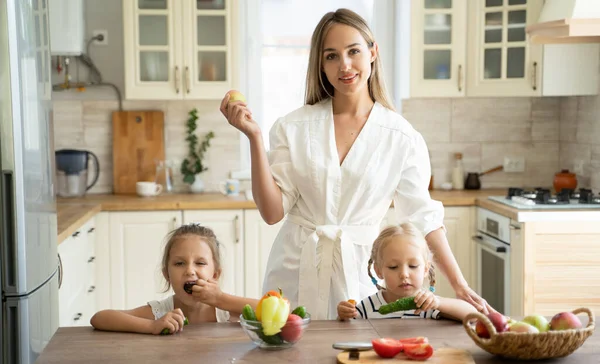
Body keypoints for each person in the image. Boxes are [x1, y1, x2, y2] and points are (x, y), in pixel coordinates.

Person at [220, 8, 490, 320]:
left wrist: (459, 284)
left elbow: (423, 218)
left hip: (361, 274)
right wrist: (253, 137)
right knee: (288, 361)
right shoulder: (292, 128)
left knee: (358, 357)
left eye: (354, 51)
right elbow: (272, 213)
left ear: (373, 52)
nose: (344, 65)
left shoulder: (402, 137)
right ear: (320, 65)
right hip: (295, 268)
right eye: (331, 56)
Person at [90, 224, 258, 334]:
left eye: (200, 263)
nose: (190, 271)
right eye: (179, 263)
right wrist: (151, 326)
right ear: (167, 275)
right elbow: (100, 318)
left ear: (215, 275)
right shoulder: (161, 312)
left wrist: (221, 299)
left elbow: (278, 314)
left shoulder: (226, 312)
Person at [337, 223, 477, 321]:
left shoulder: (427, 304)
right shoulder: (368, 306)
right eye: (393, 267)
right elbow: (347, 327)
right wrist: (343, 315)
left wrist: (438, 303)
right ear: (378, 271)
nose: (404, 274)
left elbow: (472, 315)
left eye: (413, 266)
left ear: (426, 269)